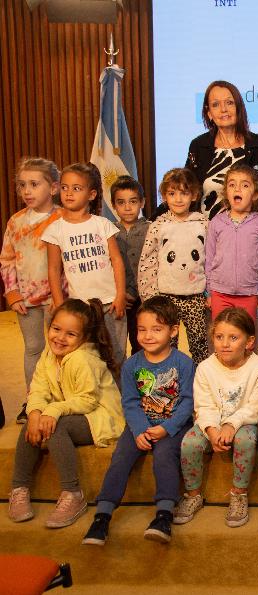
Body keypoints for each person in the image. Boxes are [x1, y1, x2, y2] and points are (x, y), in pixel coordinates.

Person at [82, 296, 195, 546]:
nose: (148, 336)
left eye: (157, 329)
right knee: (120, 457)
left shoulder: (184, 364)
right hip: (139, 425)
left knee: (165, 457)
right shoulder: (132, 364)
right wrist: (140, 430)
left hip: (172, 426)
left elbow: (188, 402)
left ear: (173, 331)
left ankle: (164, 514)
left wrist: (166, 429)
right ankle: (102, 516)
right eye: (142, 329)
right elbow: (130, 402)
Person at [8, 299, 124, 528]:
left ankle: (73, 493)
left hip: (99, 416)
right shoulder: (48, 355)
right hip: (69, 411)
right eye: (56, 329)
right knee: (33, 423)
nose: (60, 338)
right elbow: (39, 388)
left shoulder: (83, 359)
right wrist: (34, 414)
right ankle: (19, 487)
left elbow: (87, 400)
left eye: (70, 334)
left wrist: (52, 410)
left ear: (83, 338)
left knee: (54, 428)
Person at [175, 308, 258, 527]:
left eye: (233, 338)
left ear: (249, 341)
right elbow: (204, 405)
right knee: (189, 442)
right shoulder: (205, 368)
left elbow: (256, 408)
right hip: (213, 423)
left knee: (244, 440)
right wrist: (212, 430)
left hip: (246, 423)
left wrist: (231, 424)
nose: (225, 344)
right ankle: (193, 494)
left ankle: (238, 494)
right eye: (219, 337)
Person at [42, 163, 127, 370]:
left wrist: (120, 295)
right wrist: (60, 303)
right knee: (84, 356)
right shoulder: (55, 230)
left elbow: (116, 261)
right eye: (64, 187)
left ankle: (118, 399)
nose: (69, 193)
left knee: (116, 355)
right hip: (80, 307)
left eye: (76, 188)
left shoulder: (102, 224)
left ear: (91, 194)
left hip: (109, 303)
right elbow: (54, 269)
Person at [1, 157, 62, 424]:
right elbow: (7, 259)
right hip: (26, 300)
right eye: (22, 185)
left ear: (53, 188)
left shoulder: (62, 219)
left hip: (56, 300)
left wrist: (62, 296)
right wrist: (12, 294)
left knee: (61, 348)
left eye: (34, 184)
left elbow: (69, 262)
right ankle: (33, 400)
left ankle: (60, 399)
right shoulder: (15, 222)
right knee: (34, 348)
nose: (27, 191)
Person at [138, 168, 210, 364]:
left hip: (196, 296)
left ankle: (199, 383)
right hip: (166, 297)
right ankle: (170, 381)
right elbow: (148, 260)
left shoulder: (203, 223)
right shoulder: (158, 225)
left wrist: (210, 292)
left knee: (200, 344)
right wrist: (149, 297)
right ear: (164, 196)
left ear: (194, 195)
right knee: (167, 344)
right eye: (172, 193)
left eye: (184, 193)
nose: (178, 199)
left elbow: (211, 259)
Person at [184, 80, 258, 220]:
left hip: (250, 231)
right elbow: (186, 190)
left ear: (238, 107)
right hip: (206, 232)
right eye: (215, 105)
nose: (223, 109)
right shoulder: (198, 146)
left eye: (229, 103)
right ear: (209, 113)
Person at [205, 163, 258, 323]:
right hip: (219, 292)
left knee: (245, 337)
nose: (237, 189)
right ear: (226, 192)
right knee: (221, 334)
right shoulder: (216, 222)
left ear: (255, 194)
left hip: (248, 293)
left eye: (245, 185)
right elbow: (208, 258)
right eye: (232, 184)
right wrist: (209, 292)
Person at [111, 175, 150, 355]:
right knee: (116, 344)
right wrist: (119, 292)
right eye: (121, 202)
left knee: (140, 342)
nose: (127, 208)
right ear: (113, 205)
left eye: (133, 201)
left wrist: (136, 291)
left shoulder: (151, 229)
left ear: (142, 202)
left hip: (143, 298)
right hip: (118, 297)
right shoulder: (108, 231)